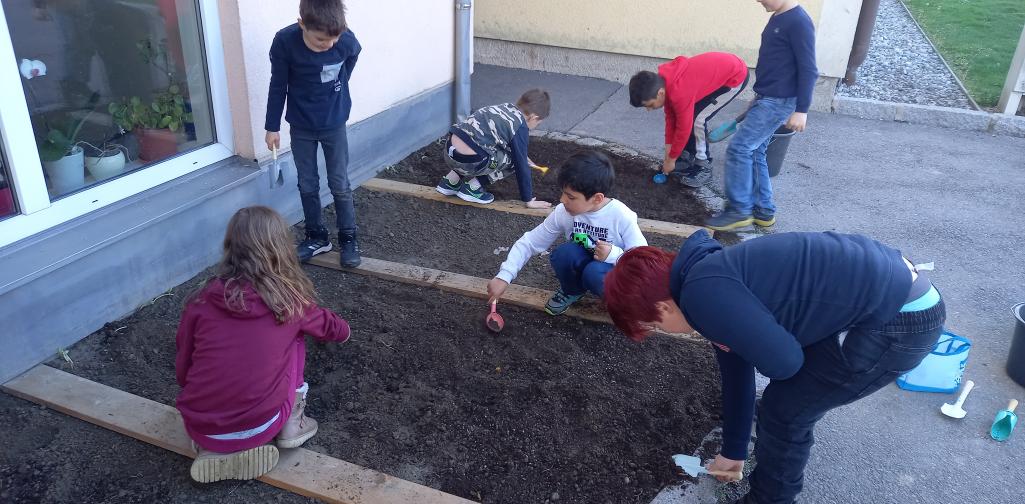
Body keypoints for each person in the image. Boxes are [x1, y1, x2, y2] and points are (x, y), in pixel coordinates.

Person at [603, 230, 945, 504]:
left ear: (662, 309)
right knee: (780, 401)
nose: (662, 331)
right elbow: (735, 371)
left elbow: (785, 364)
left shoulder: (703, 298)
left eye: (655, 327)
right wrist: (733, 451)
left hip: (897, 322)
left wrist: (755, 347)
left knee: (786, 410)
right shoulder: (705, 278)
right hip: (894, 294)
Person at [175, 206, 351, 483]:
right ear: (281, 248)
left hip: (201, 422)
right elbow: (331, 328)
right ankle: (291, 423)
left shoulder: (201, 300)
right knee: (293, 340)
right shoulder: (288, 302)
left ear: (230, 246)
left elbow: (184, 361)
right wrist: (345, 332)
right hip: (263, 422)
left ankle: (212, 447)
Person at [265, 0, 364, 267]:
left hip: (334, 123)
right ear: (302, 25)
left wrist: (340, 84)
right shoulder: (285, 42)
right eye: (321, 40)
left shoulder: (344, 41)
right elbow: (278, 85)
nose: (328, 45)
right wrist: (271, 126)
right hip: (301, 125)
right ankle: (316, 236)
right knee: (307, 184)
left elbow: (352, 55)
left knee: (339, 184)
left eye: (333, 39)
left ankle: (348, 237)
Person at [487, 150, 646, 315]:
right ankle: (572, 290)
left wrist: (614, 255)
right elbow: (530, 242)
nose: (562, 200)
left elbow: (643, 260)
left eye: (571, 197)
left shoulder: (621, 216)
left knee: (594, 273)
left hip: (612, 270)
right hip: (586, 260)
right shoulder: (564, 212)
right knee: (563, 254)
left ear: (597, 198)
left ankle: (618, 302)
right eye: (563, 192)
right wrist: (504, 276)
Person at [706, 0, 818, 231]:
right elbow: (776, 64)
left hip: (780, 101)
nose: (758, 0)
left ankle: (739, 211)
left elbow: (809, 69)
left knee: (740, 148)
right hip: (768, 98)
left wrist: (802, 110)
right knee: (755, 151)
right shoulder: (779, 16)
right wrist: (759, 95)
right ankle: (763, 211)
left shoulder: (799, 22)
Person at [628, 52, 749, 188]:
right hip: (717, 73)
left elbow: (683, 128)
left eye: (649, 105)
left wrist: (671, 159)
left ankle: (704, 165)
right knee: (687, 116)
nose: (649, 110)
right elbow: (671, 122)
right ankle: (687, 155)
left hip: (734, 77)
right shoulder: (665, 84)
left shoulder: (679, 93)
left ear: (660, 93)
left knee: (698, 120)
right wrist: (669, 156)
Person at [435, 89, 553, 208]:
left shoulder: (503, 108)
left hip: (449, 151)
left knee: (474, 142)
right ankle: (472, 189)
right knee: (514, 161)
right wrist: (528, 200)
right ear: (533, 117)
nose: (535, 127)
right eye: (538, 124)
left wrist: (522, 155)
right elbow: (520, 164)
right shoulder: (519, 126)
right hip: (468, 163)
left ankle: (450, 182)